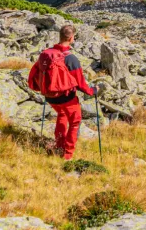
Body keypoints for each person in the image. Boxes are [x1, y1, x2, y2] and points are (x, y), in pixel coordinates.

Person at [27, 24, 95, 160]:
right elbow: (81, 83)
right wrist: (92, 91)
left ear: (60, 36)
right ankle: (67, 155)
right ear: (71, 38)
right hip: (66, 97)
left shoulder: (46, 54)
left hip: (49, 96)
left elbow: (36, 72)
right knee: (75, 122)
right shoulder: (71, 59)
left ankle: (59, 146)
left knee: (62, 115)